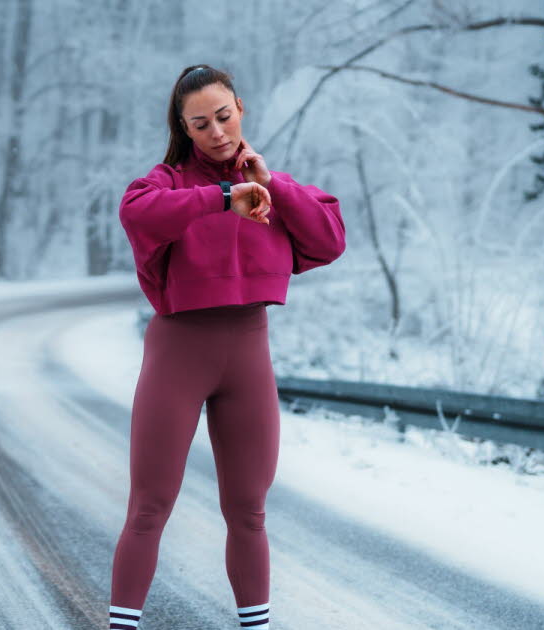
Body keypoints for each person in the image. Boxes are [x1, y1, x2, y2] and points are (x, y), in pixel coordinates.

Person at [108, 64, 347, 630]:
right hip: (178, 352)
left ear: (240, 108)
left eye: (223, 116)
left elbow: (330, 239)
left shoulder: (270, 185)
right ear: (185, 130)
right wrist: (220, 197)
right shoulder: (165, 183)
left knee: (249, 511)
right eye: (200, 124)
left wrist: (273, 184)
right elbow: (138, 214)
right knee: (149, 507)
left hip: (248, 353)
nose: (216, 131)